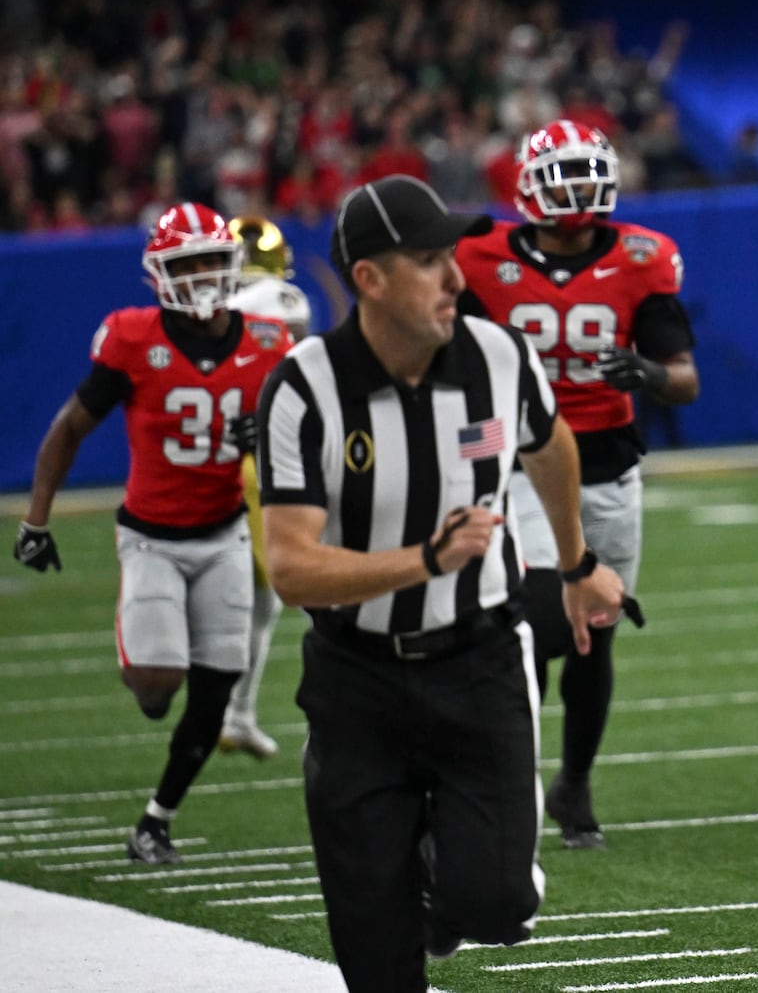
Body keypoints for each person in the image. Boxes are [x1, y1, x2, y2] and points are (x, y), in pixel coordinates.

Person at [255, 174, 626, 992]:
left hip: (479, 658)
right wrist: (424, 559)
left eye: (451, 255)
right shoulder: (304, 386)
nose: (456, 277)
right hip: (356, 675)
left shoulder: (498, 353)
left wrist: (573, 563)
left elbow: (551, 443)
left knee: (496, 906)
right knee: (377, 956)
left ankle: (435, 862)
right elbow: (289, 566)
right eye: (429, 260)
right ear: (370, 279)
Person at [12, 202, 288, 863]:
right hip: (152, 535)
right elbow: (70, 427)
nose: (198, 277)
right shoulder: (133, 338)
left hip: (224, 532)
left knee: (218, 687)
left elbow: (309, 437)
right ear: (158, 275)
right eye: (183, 264)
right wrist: (36, 517)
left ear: (231, 266)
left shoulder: (269, 342)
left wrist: (271, 438)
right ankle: (149, 654)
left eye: (208, 262)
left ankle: (155, 820)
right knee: (159, 690)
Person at [455, 119, 697, 849]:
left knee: (598, 627)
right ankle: (507, 781)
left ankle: (575, 782)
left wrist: (649, 373)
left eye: (587, 174)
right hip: (519, 461)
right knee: (535, 619)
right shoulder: (479, 254)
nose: (578, 190)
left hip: (608, 462)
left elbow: (684, 379)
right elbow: (451, 361)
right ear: (530, 184)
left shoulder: (642, 257)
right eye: (562, 175)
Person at [214, 214, 314, 760]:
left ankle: (238, 711)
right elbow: (301, 375)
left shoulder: (211, 304)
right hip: (268, 459)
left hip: (213, 456)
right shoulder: (286, 301)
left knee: (262, 594)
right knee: (300, 584)